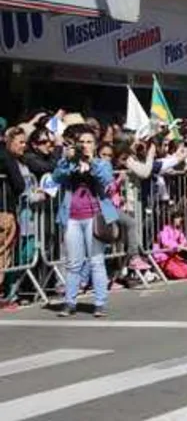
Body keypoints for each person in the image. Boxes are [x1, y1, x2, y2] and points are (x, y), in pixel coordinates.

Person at [53, 126, 118, 318]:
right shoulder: (70, 163)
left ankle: (99, 303)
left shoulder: (102, 163)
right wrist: (67, 159)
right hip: (72, 216)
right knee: (73, 263)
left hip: (94, 216)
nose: (85, 145)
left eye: (89, 142)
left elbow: (107, 180)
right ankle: (70, 302)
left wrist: (91, 162)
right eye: (82, 142)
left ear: (95, 145)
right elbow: (56, 177)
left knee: (96, 261)